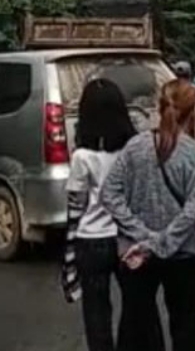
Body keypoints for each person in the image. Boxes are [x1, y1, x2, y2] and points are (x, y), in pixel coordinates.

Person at [101, 80, 195, 351]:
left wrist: (143, 237)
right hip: (184, 254)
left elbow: (110, 195)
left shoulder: (135, 147)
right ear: (193, 112)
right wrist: (162, 242)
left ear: (159, 107)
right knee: (184, 328)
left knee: (137, 328)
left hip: (138, 254)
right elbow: (194, 211)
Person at [61, 79, 161, 351]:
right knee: (137, 308)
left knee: (96, 313)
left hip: (90, 239)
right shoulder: (133, 150)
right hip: (126, 238)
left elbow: (76, 204)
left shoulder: (82, 156)